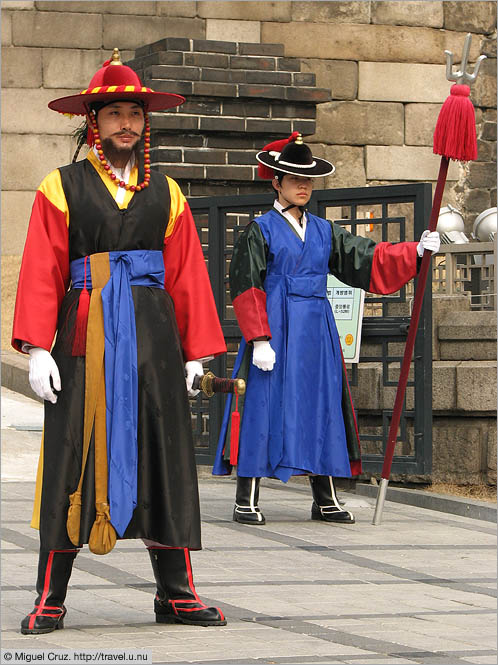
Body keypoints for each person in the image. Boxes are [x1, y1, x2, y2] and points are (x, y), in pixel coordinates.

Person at [12, 49, 228, 634]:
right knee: (73, 455)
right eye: (113, 115)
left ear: (144, 122)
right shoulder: (61, 187)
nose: (125, 124)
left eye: (133, 113)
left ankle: (176, 593)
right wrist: (36, 347)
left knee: (166, 453)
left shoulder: (168, 192)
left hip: (155, 342)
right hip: (86, 340)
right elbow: (41, 267)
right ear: (94, 123)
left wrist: (195, 352)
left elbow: (186, 273)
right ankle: (50, 596)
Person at [213, 133, 440, 525]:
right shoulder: (259, 230)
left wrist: (413, 252)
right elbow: (247, 285)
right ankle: (246, 497)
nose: (302, 186)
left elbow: (365, 259)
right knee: (265, 407)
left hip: (317, 330)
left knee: (322, 405)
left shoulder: (323, 231)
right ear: (276, 182)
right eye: (293, 178)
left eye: (308, 181)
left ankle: (325, 497)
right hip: (278, 330)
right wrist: (260, 338)